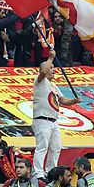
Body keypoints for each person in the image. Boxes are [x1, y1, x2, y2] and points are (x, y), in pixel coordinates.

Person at [33, 49, 81, 179]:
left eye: (54, 67)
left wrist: (73, 101)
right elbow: (43, 72)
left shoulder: (53, 86)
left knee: (56, 147)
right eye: (51, 67)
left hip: (53, 121)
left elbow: (62, 100)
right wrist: (50, 58)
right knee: (42, 147)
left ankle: (50, 171)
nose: (53, 70)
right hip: (42, 119)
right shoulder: (40, 81)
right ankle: (38, 172)